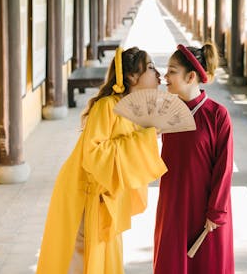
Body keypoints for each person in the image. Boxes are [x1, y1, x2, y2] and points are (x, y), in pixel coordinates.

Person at [36, 47, 167, 274]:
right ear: (131, 76)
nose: (159, 74)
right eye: (151, 68)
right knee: (80, 260)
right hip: (84, 195)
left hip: (107, 197)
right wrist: (144, 138)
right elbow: (94, 154)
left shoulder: (134, 110)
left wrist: (146, 134)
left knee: (103, 258)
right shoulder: (107, 106)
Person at [154, 43, 234, 274]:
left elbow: (224, 167)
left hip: (206, 208)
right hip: (173, 203)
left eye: (171, 71)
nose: (164, 76)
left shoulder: (217, 114)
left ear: (190, 76)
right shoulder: (166, 111)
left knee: (206, 265)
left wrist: (216, 211)